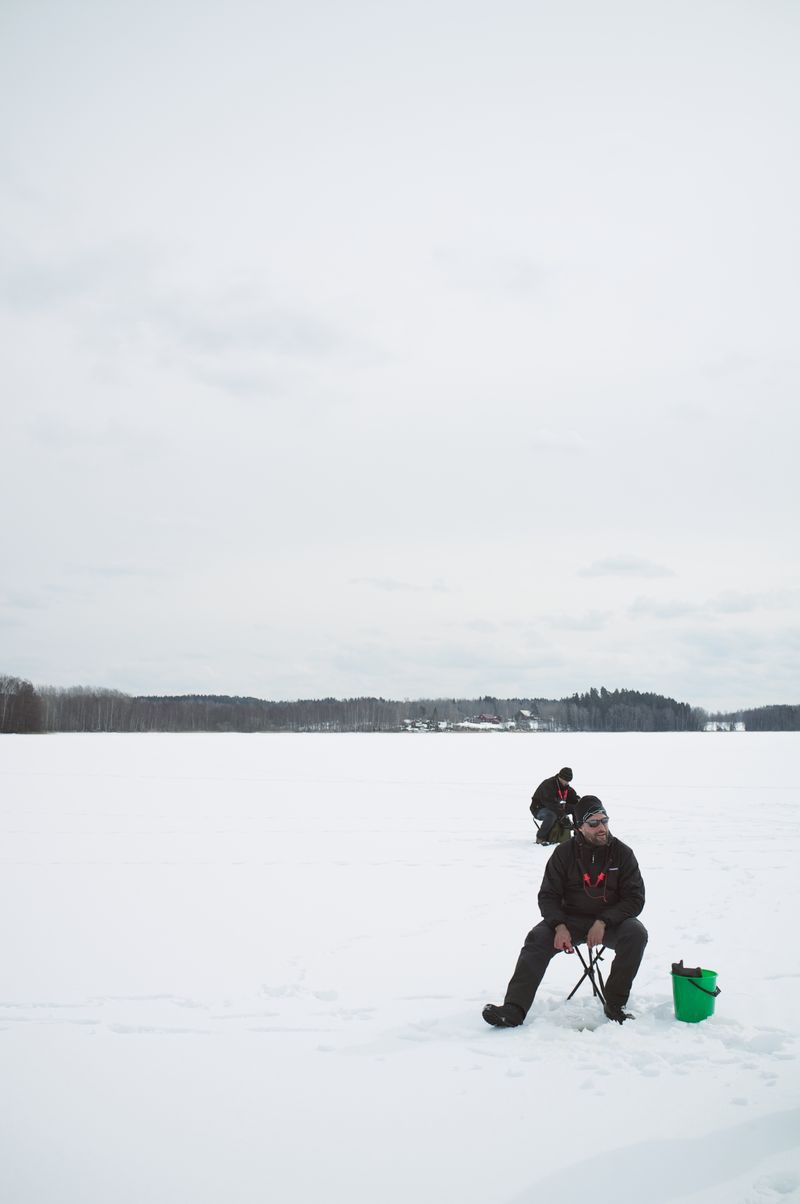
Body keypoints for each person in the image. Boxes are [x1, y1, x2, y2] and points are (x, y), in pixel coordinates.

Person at [483, 797, 647, 1025]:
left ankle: (615, 1004)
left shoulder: (623, 853)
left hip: (610, 923)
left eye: (605, 821)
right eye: (593, 823)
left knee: (636, 934)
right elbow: (547, 896)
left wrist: (603, 921)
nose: (601, 828)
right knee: (537, 938)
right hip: (569, 921)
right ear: (579, 826)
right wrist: (559, 926)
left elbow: (635, 899)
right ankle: (514, 1009)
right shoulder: (563, 853)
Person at [530, 766, 580, 844]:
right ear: (560, 777)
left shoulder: (565, 787)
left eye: (568, 781)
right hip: (539, 809)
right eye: (565, 780)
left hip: (557, 808)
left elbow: (573, 798)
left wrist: (579, 801)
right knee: (552, 815)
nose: (566, 783)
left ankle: (578, 835)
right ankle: (540, 838)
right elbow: (550, 803)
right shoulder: (548, 784)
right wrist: (563, 816)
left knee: (575, 808)